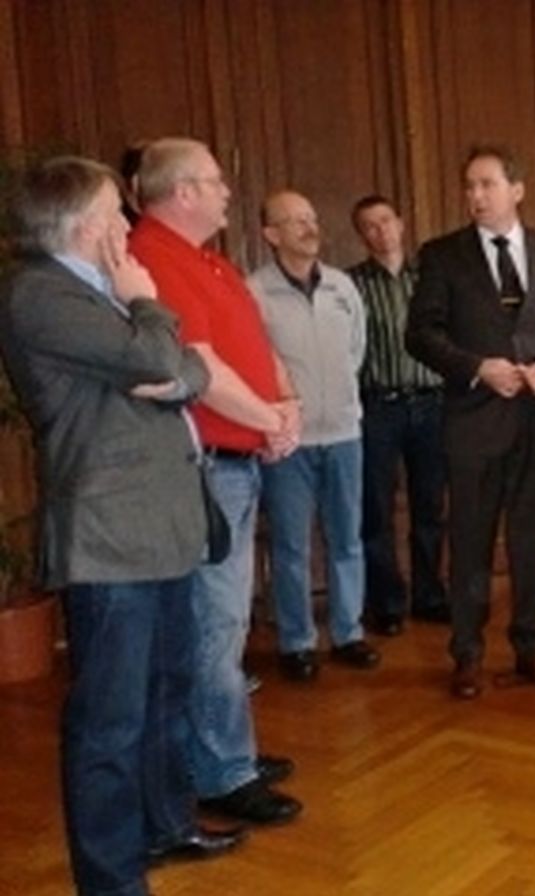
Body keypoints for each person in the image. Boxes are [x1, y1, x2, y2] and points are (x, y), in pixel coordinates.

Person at [0, 156, 243, 896]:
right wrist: (148, 308)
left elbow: (185, 372)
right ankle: (111, 884)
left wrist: (167, 366)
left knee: (165, 693)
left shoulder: (99, 293)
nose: (126, 225)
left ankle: (165, 825)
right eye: (115, 212)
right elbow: (158, 357)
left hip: (158, 530)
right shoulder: (39, 293)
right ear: (82, 224)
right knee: (109, 723)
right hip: (109, 540)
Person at [129, 138, 302, 824]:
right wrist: (271, 420)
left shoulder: (207, 259)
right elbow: (199, 369)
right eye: (216, 181)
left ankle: (228, 749)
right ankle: (223, 772)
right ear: (182, 193)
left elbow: (254, 348)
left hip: (241, 458)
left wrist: (284, 405)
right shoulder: (155, 257)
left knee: (225, 624)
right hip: (208, 468)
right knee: (213, 625)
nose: (228, 191)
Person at [406, 143, 535, 700]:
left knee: (534, 544)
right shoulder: (443, 255)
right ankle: (467, 655)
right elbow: (420, 335)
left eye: (487, 184)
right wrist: (476, 368)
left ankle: (532, 647)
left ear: (517, 190)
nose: (476, 195)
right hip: (472, 424)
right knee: (470, 545)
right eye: (469, 186)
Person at [248, 189, 379, 679]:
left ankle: (348, 633)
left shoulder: (342, 287)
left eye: (311, 217)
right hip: (289, 444)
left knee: (347, 539)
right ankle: (297, 642)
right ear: (270, 234)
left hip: (344, 435)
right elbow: (253, 363)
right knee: (291, 546)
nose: (309, 227)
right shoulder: (254, 292)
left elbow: (356, 351)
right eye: (295, 220)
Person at [347, 194, 450, 635]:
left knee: (431, 507)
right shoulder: (351, 285)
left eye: (386, 221)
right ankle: (387, 602)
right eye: (370, 225)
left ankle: (430, 595)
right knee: (376, 510)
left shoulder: (430, 278)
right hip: (378, 408)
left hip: (432, 404)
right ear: (361, 235)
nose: (381, 231)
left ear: (401, 224)